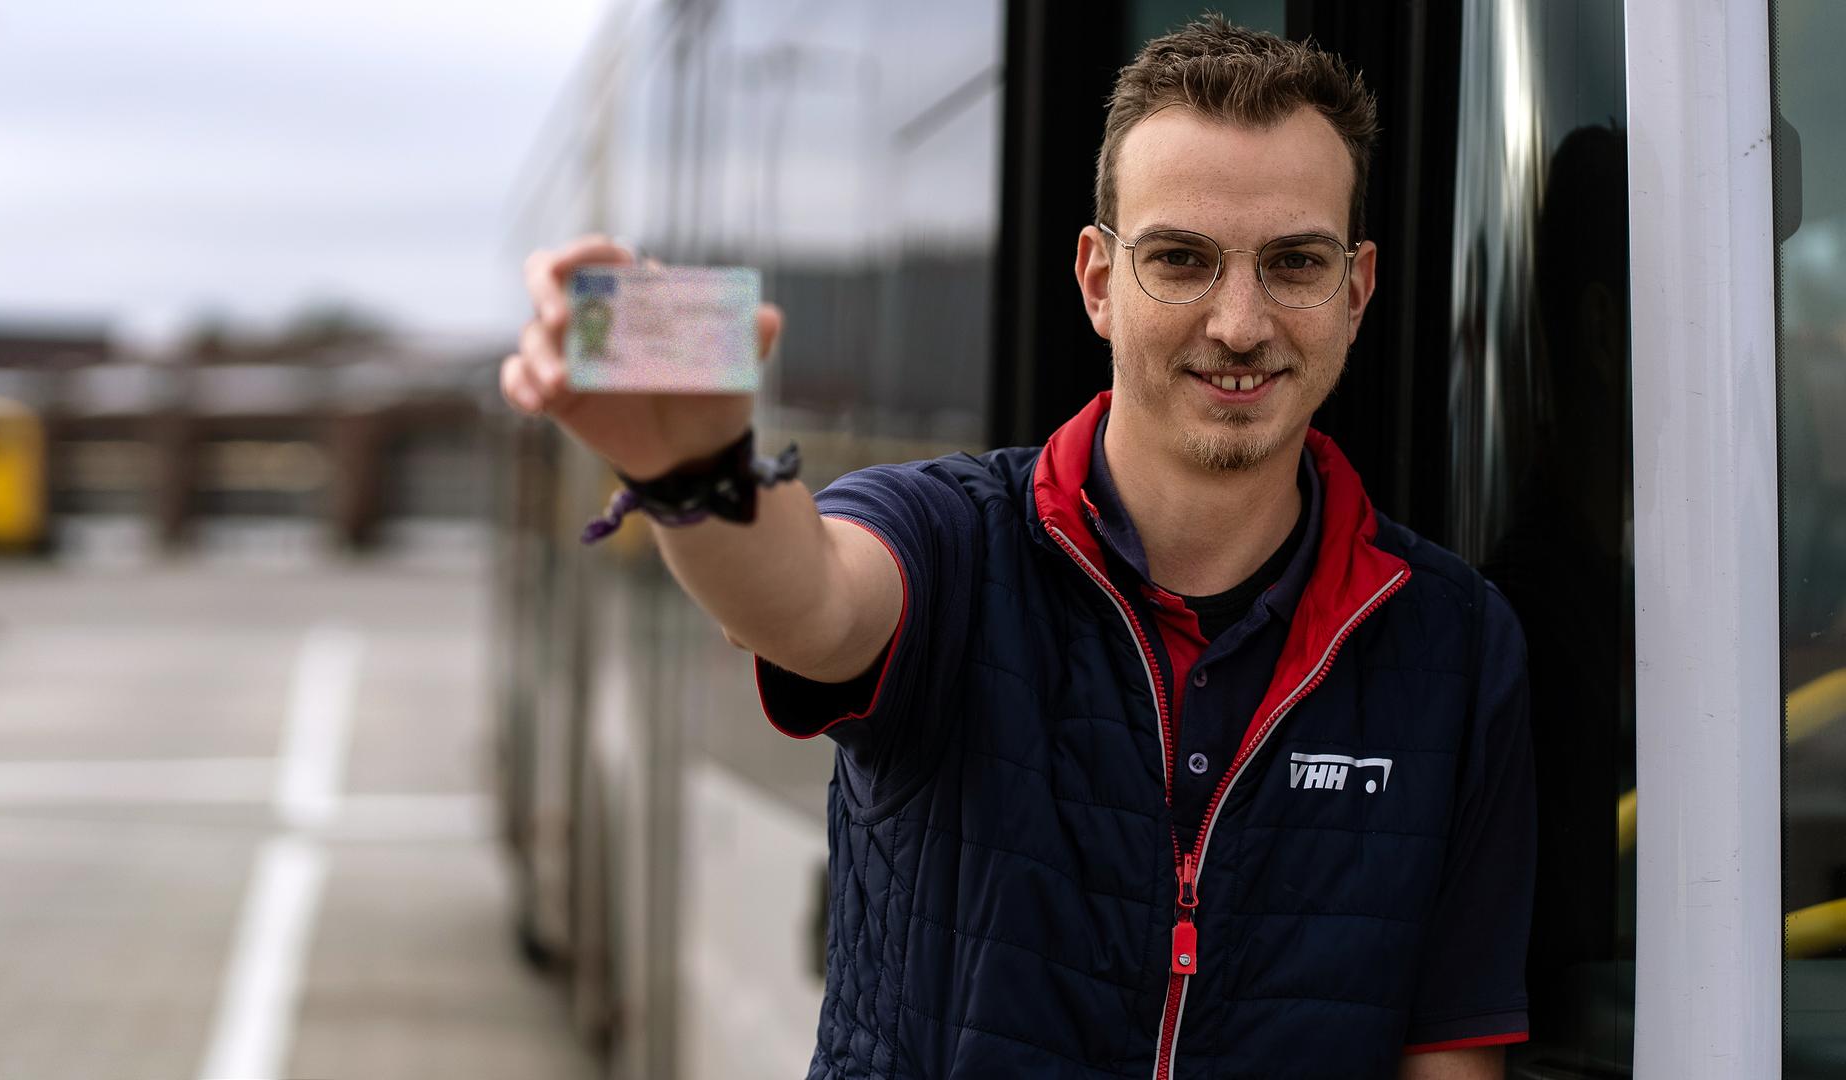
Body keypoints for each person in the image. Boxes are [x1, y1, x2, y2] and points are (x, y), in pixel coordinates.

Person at [502, 16, 1533, 1080]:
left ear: (1355, 291)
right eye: (1181, 260)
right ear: (1096, 280)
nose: (1239, 321)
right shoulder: (956, 542)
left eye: (1295, 264)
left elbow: (1451, 1054)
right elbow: (804, 602)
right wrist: (697, 475)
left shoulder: (1454, 643)